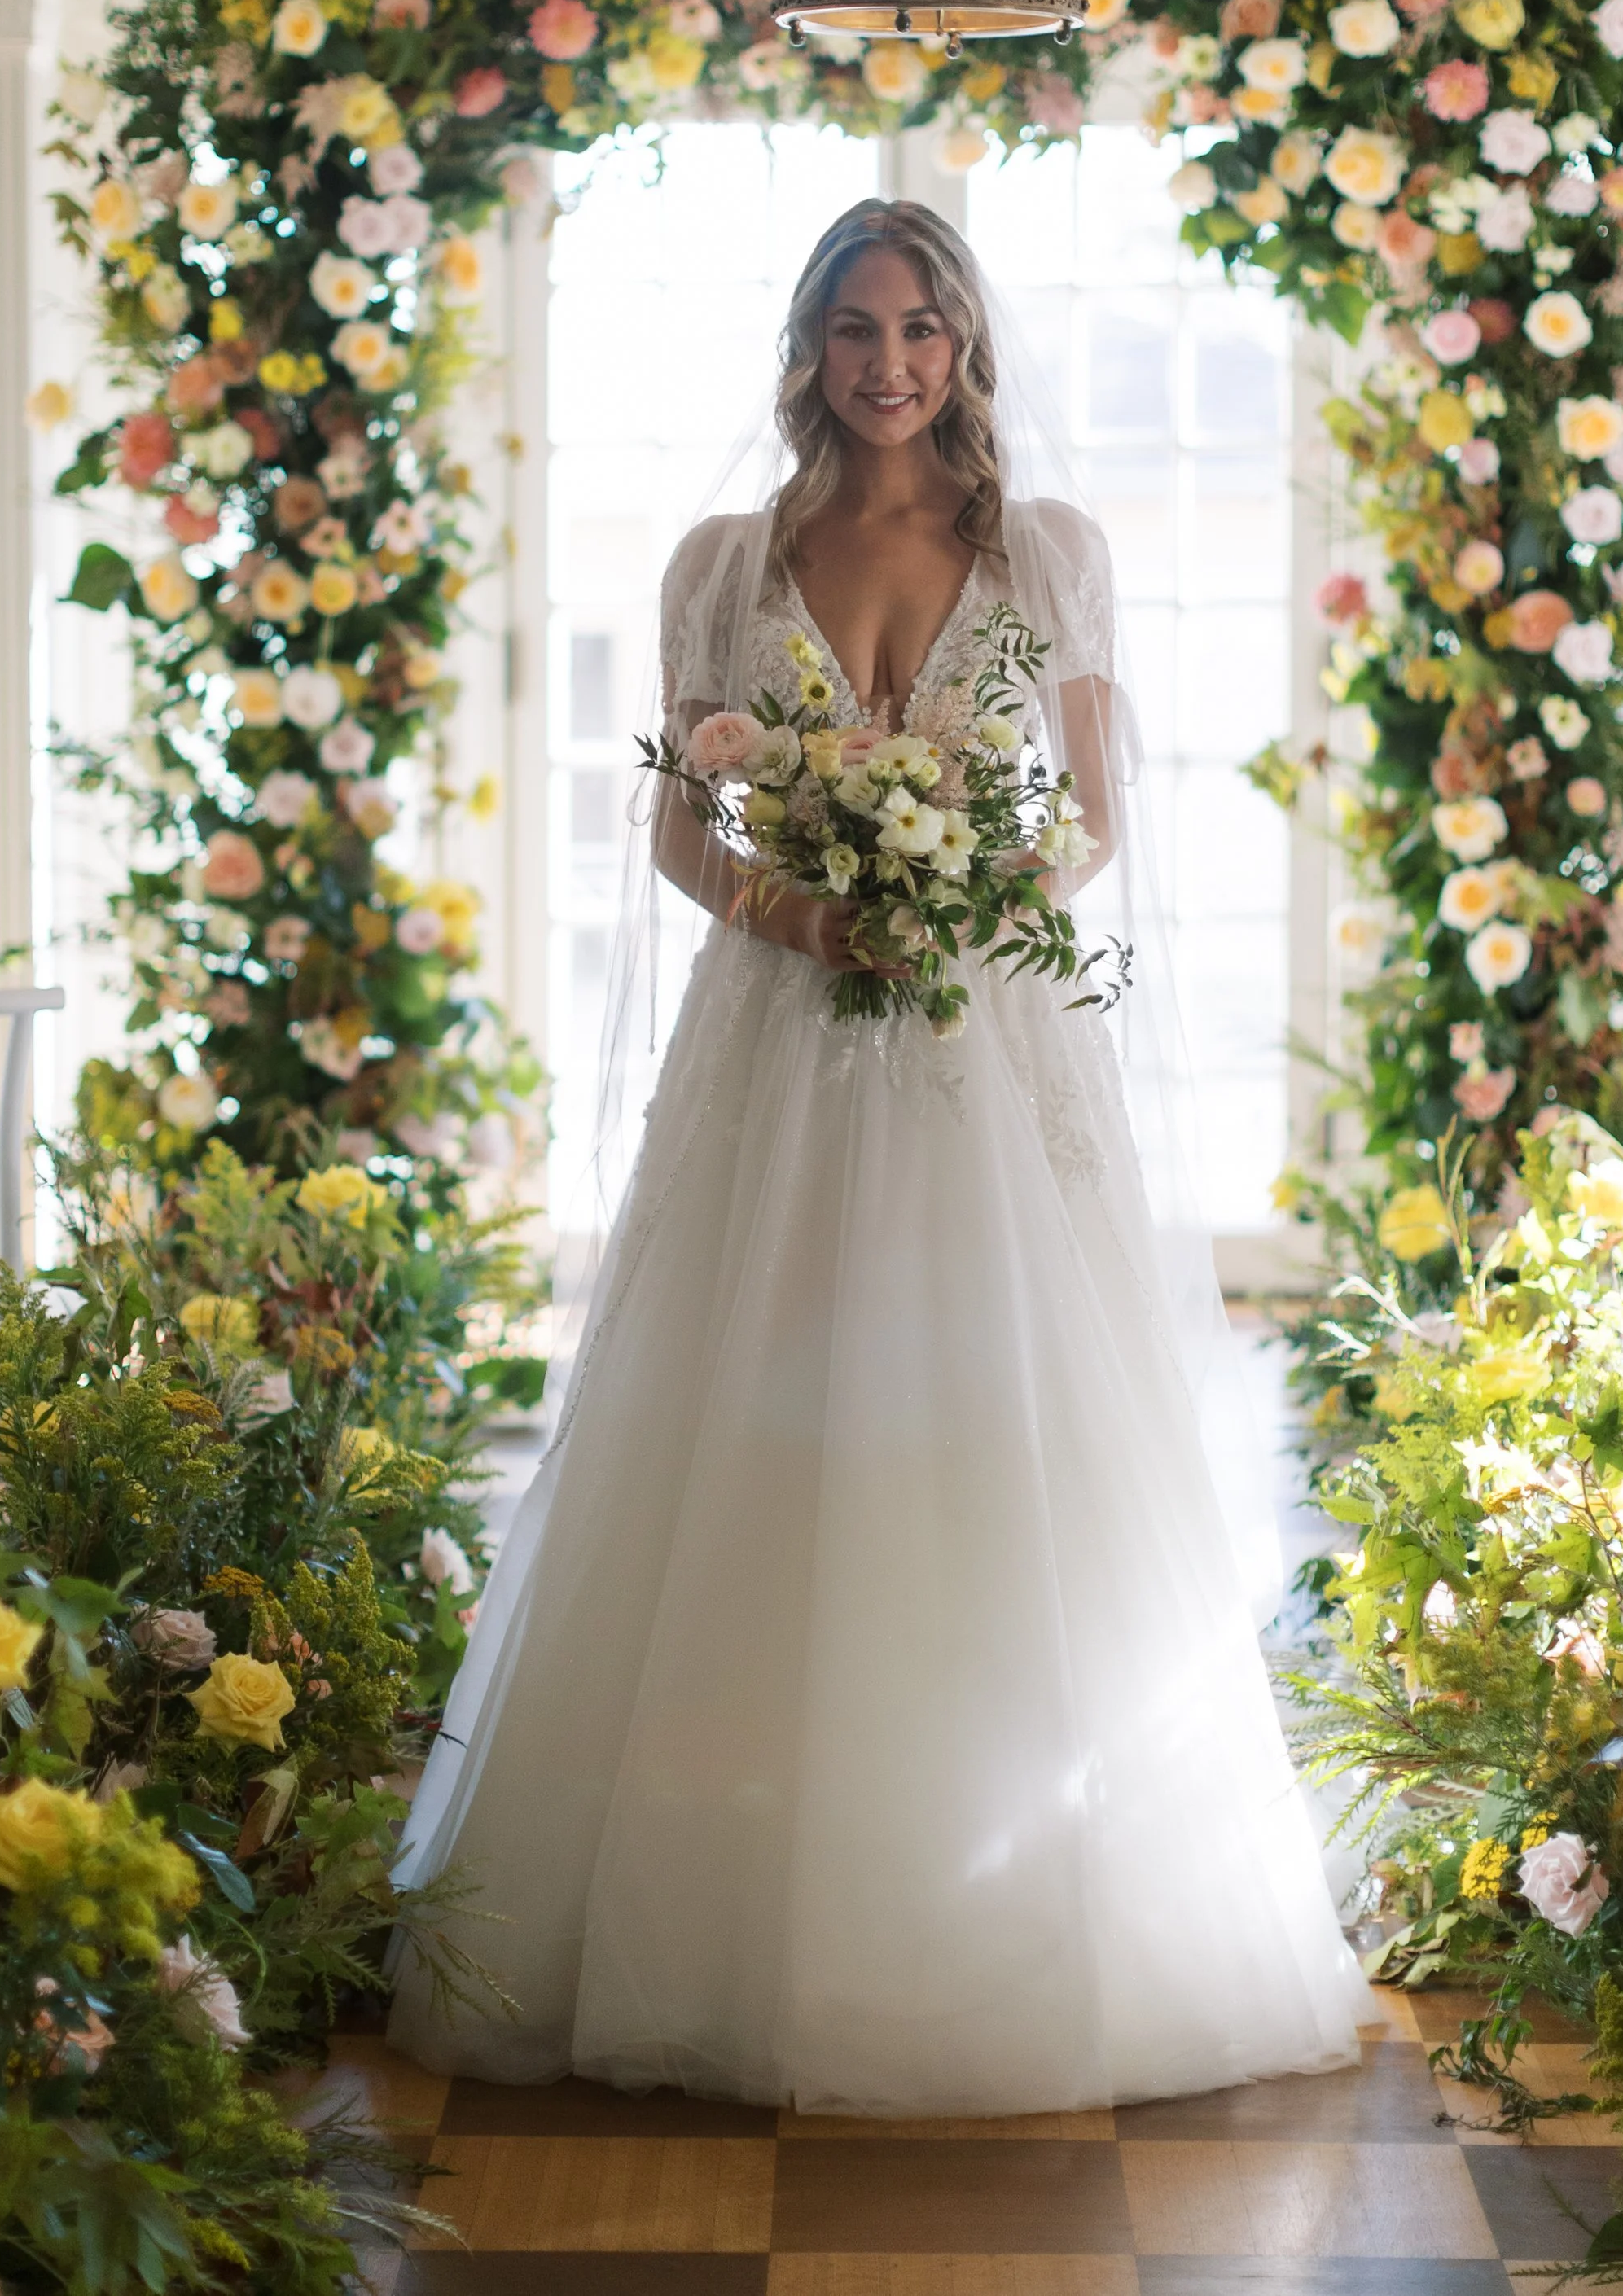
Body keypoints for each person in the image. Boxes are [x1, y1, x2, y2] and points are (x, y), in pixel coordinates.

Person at [387, 199, 1370, 2111]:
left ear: (968, 343)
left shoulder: (1047, 551)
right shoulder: (721, 561)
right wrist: (803, 914)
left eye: (921, 324)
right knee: (753, 1416)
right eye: (855, 326)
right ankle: (723, 1890)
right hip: (781, 1029)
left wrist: (973, 887)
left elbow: (1094, 814)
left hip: (988, 1037)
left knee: (1008, 1427)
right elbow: (674, 828)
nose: (890, 360)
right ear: (808, 346)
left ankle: (1006, 1877)